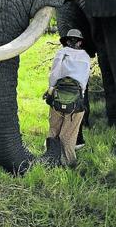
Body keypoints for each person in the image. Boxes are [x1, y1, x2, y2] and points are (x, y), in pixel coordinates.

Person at [43, 29, 91, 167]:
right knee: (68, 135)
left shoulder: (61, 53)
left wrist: (50, 91)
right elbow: (84, 82)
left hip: (57, 98)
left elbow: (54, 76)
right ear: (80, 42)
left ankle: (51, 159)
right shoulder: (86, 57)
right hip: (76, 103)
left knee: (53, 130)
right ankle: (68, 163)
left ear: (67, 41)